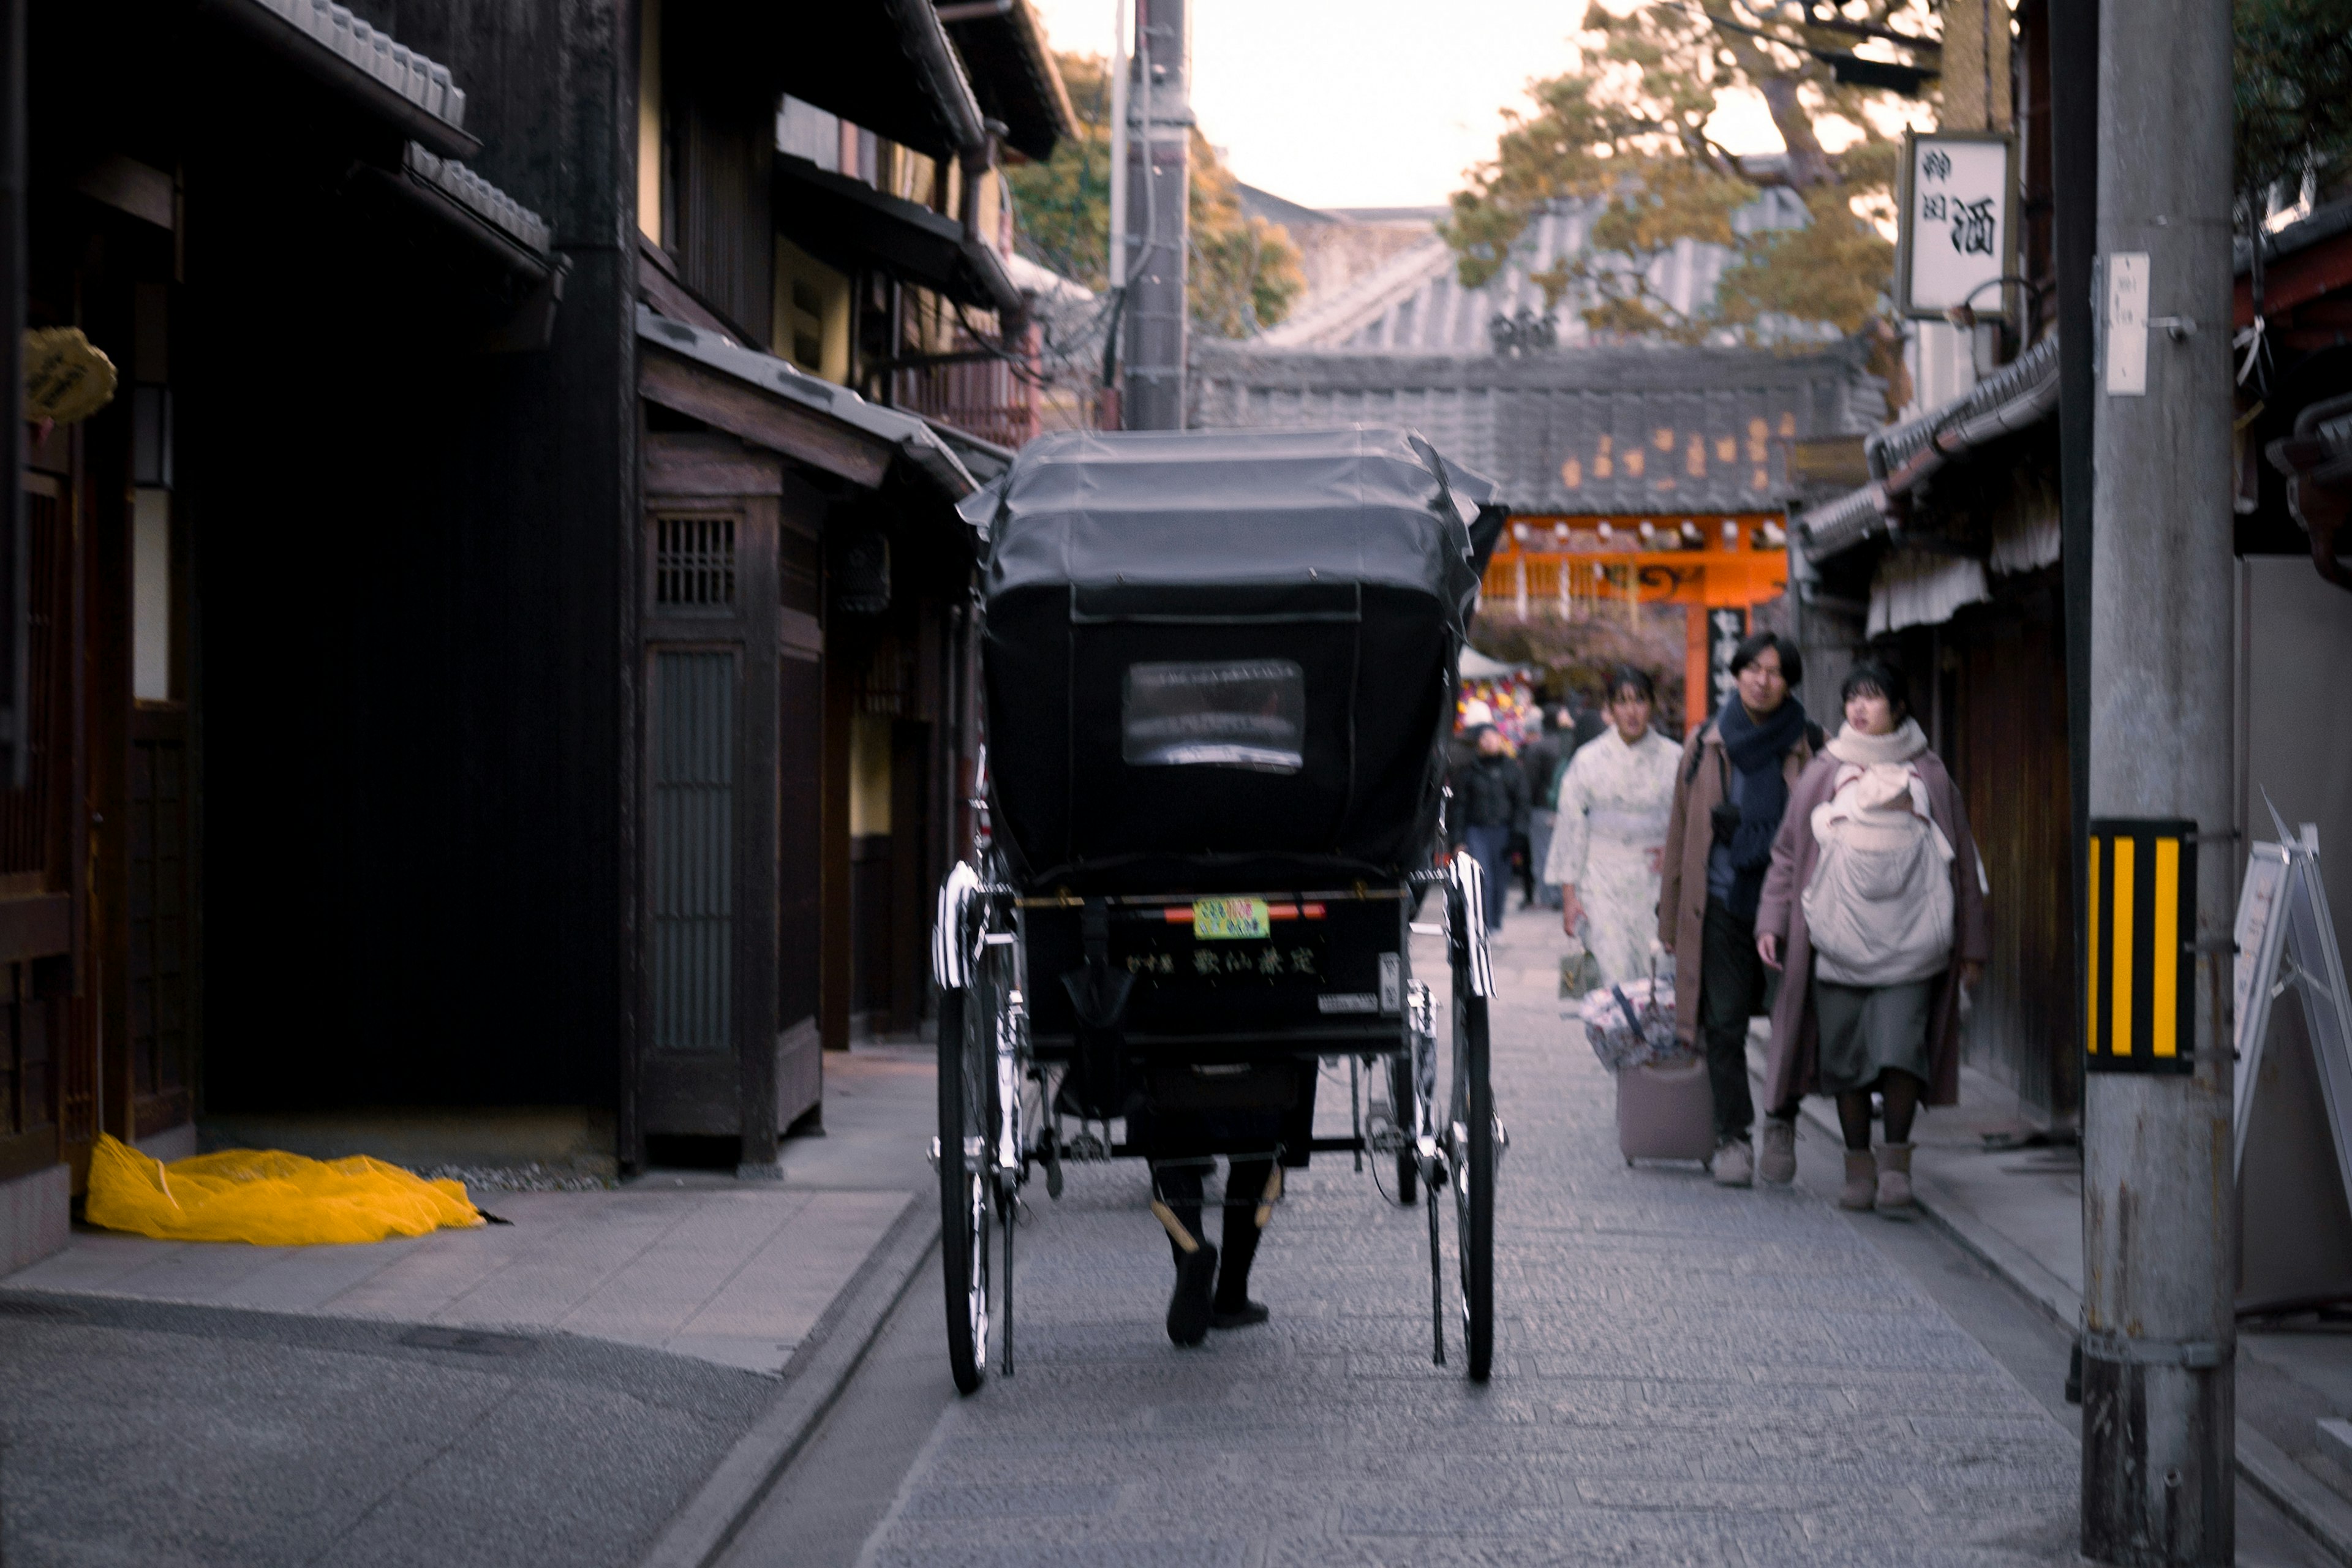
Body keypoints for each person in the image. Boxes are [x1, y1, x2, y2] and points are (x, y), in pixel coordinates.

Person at [1755, 661, 1989, 1216]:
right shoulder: (1824, 769)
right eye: (1852, 699)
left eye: (1874, 697)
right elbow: (1789, 853)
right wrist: (1773, 920)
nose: (1859, 708)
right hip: (1838, 941)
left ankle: (1895, 1168)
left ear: (1900, 707)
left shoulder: (1929, 772)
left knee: (1901, 1053)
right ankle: (1857, 1166)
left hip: (1915, 943)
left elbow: (1965, 864)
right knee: (1847, 1058)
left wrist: (1974, 946)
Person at [1658, 631, 1823, 1188]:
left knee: (1790, 1022)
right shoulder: (1706, 742)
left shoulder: (1812, 744)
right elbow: (1680, 831)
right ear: (1736, 673)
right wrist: (1669, 919)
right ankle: (1734, 1137)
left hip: (1791, 908)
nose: (1762, 679)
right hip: (1723, 905)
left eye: (1775, 671)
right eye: (1752, 668)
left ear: (1789, 680)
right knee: (1723, 1026)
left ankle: (1781, 1122)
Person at [1545, 667, 1680, 987]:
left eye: (1640, 701)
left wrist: (1675, 851)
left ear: (1652, 705)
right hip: (1600, 880)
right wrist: (1570, 897)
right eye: (1622, 702)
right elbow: (1571, 827)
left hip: (1655, 882)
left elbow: (1689, 821)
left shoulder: (1675, 758)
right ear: (1610, 708)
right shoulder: (1588, 760)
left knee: (1657, 976)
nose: (1632, 711)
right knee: (1610, 976)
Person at [1450, 718, 1528, 933]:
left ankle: (1495, 923)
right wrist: (1457, 840)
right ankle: (1482, 924)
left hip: (1503, 831)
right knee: (1483, 879)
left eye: (1492, 737)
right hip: (1477, 831)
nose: (1489, 742)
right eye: (1484, 738)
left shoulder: (1512, 769)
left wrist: (1518, 834)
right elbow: (1459, 808)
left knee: (1501, 880)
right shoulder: (1469, 772)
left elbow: (1521, 802)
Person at [1521, 709, 1566, 910]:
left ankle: (1548, 896)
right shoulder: (1566, 746)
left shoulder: (1536, 748)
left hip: (1540, 808)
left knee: (1542, 854)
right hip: (1563, 809)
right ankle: (1561, 895)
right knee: (1561, 852)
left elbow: (1529, 781)